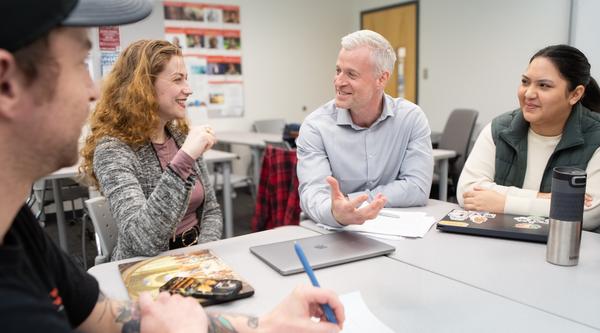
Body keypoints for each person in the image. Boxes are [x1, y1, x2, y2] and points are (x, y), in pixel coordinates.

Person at [0, 1, 345, 332]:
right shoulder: (116, 148)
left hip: (195, 266)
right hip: (150, 271)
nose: (93, 91)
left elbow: (106, 316)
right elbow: (138, 241)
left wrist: (262, 324)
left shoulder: (21, 230)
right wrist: (183, 163)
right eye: (80, 63)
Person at [81, 39, 223, 261]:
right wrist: (183, 160)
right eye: (177, 79)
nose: (189, 89)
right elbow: (141, 241)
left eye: (186, 79)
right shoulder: (112, 150)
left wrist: (202, 256)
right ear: (144, 87)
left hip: (197, 258)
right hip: (145, 267)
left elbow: (211, 210)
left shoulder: (181, 137)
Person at [296, 30, 433, 227]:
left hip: (394, 228)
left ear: (382, 79)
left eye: (351, 74)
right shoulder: (315, 126)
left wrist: (354, 201)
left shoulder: (411, 118)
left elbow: (417, 188)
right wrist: (337, 212)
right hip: (332, 231)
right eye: (338, 71)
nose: (339, 82)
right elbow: (314, 194)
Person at [457, 44, 600, 231]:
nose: (529, 93)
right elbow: (467, 192)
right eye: (525, 82)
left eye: (544, 85)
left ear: (575, 94)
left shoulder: (596, 137)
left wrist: (505, 204)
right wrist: (542, 198)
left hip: (565, 251)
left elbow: (589, 214)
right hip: (500, 246)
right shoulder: (499, 129)